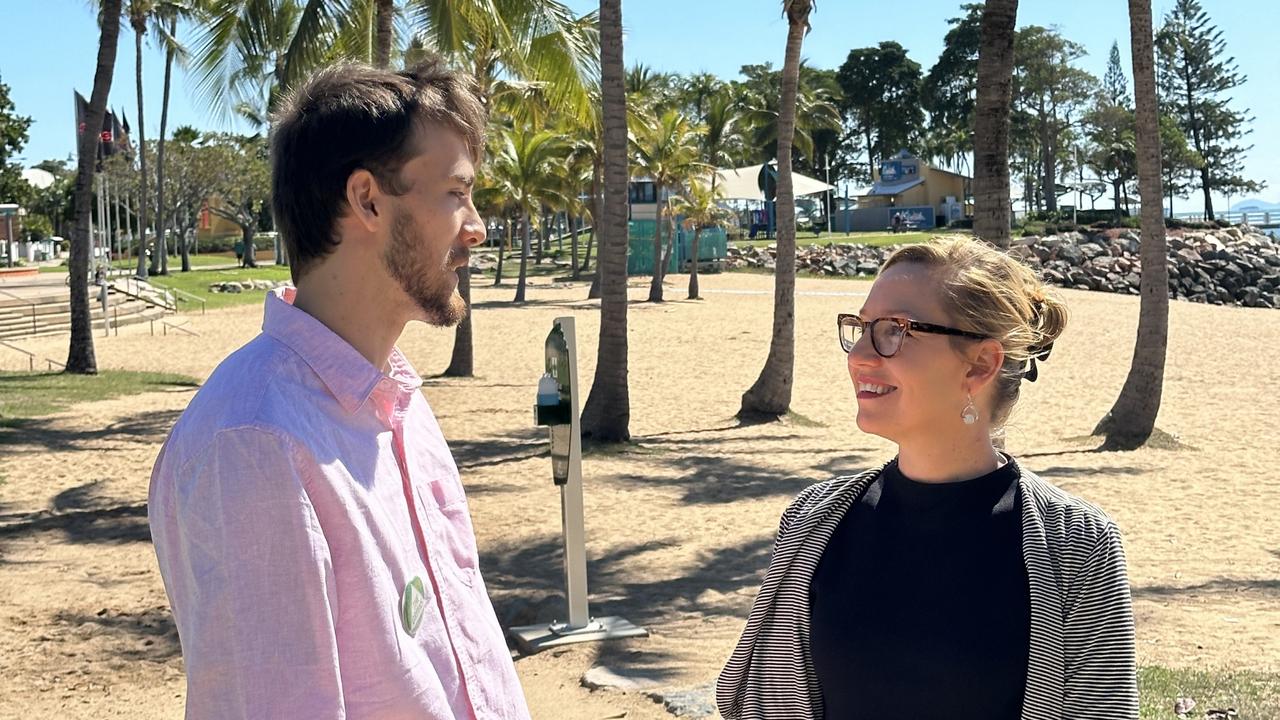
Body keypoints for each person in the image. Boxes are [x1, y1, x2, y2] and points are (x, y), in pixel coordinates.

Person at [149, 60, 530, 719]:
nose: (477, 227)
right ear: (368, 200)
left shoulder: (396, 400)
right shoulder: (258, 443)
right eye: (454, 194)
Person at [716, 237, 1138, 720]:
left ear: (981, 364)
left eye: (893, 331)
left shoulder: (1078, 544)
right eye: (860, 328)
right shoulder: (812, 522)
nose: (858, 356)